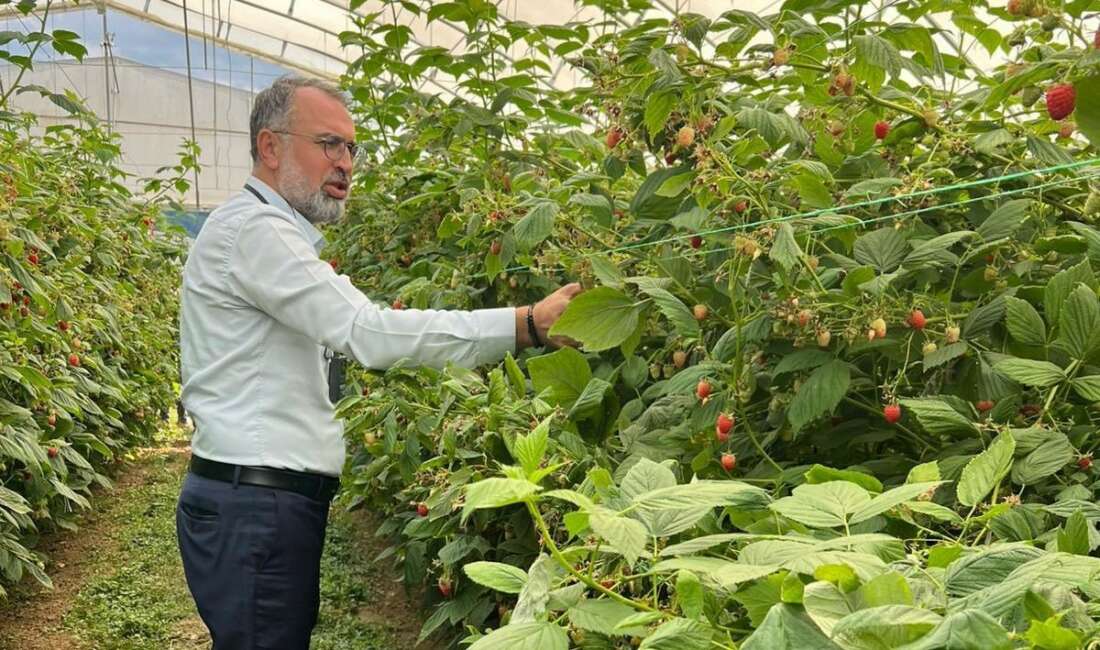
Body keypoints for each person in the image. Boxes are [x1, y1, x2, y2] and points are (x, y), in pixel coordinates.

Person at [175, 75, 582, 649]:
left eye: (351, 148)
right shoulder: (256, 232)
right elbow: (367, 332)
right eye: (328, 144)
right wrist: (526, 323)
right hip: (256, 508)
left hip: (256, 504)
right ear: (270, 147)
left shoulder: (263, 232)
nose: (345, 163)